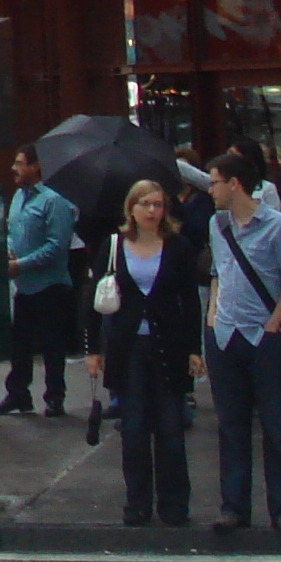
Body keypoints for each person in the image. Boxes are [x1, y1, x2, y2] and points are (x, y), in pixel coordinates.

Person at [204, 143, 281, 535]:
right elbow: (217, 271)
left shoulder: (277, 226)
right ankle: (233, 506)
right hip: (225, 333)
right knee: (230, 425)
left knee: (274, 426)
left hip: (262, 335)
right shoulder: (218, 225)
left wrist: (274, 323)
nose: (210, 190)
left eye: (215, 183)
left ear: (235, 184)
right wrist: (212, 316)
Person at [87, 176, 201, 527]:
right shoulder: (112, 246)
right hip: (128, 345)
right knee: (134, 428)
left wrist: (194, 349)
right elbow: (92, 300)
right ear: (131, 210)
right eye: (145, 205)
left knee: (170, 427)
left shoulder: (178, 247)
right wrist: (94, 349)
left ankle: (174, 504)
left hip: (168, 343)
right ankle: (137, 503)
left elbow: (189, 300)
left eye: (158, 205)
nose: (152, 211)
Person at [0, 147, 80, 418]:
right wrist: (8, 251)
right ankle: (18, 392)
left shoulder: (53, 202)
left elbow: (57, 246)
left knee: (52, 343)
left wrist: (21, 264)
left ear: (36, 167)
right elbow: (11, 231)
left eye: (20, 164)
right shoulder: (19, 197)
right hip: (24, 285)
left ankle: (55, 395)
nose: (14, 169)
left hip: (49, 285)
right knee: (20, 342)